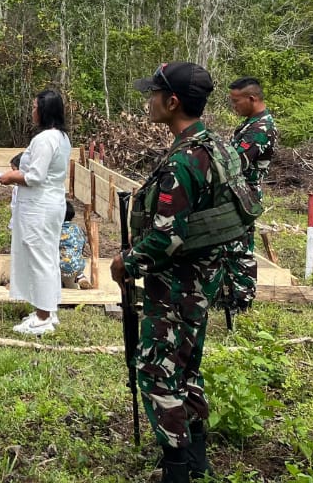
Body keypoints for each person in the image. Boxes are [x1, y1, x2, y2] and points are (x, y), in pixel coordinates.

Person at [112, 62, 258, 483]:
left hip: (176, 285)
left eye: (153, 93)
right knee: (186, 366)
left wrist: (127, 263)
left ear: (172, 101)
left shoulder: (184, 160)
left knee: (158, 371)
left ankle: (176, 468)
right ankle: (196, 457)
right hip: (203, 279)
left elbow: (165, 239)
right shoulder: (218, 147)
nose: (148, 100)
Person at [0, 89, 72, 336]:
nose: (32, 112)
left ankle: (42, 316)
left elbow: (35, 176)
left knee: (39, 257)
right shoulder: (61, 137)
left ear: (44, 111)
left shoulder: (44, 139)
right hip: (51, 203)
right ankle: (47, 308)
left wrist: (10, 177)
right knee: (47, 256)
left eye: (34, 107)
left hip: (38, 206)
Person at [225, 77, 277, 314]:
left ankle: (242, 300)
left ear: (252, 99)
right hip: (237, 192)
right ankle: (229, 294)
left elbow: (236, 161)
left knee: (241, 248)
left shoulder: (261, 128)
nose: (234, 106)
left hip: (244, 194)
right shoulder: (251, 123)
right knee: (231, 245)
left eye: (236, 101)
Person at [60, 202, 88, 289]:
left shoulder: (57, 229)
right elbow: (83, 244)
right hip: (79, 264)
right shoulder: (77, 228)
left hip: (62, 266)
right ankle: (80, 276)